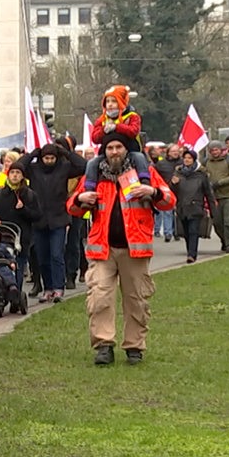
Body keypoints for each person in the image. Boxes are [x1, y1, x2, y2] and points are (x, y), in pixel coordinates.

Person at [69, 132, 175, 365]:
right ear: (104, 151)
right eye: (110, 148)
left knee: (136, 300)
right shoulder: (94, 174)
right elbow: (72, 207)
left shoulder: (143, 173)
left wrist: (153, 192)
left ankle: (134, 347)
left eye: (118, 147)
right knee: (99, 298)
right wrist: (80, 199)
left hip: (134, 250)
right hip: (102, 249)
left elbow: (169, 200)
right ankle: (104, 346)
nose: (114, 151)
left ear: (126, 150)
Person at [18, 142, 86, 303]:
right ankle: (47, 287)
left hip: (58, 218)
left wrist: (66, 153)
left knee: (56, 254)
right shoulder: (34, 170)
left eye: (52, 158)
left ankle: (58, 288)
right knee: (42, 257)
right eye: (46, 158)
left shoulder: (64, 168)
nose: (49, 161)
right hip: (39, 218)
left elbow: (83, 166)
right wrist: (33, 154)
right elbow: (19, 165)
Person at [0, 161, 39, 300]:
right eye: (12, 173)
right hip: (3, 236)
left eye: (18, 173)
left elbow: (36, 215)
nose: (15, 176)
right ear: (8, 175)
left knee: (18, 266)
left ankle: (16, 294)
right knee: (2, 264)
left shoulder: (29, 194)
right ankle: (0, 291)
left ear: (22, 176)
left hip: (21, 237)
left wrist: (23, 209)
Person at [170, 149, 217, 263]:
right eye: (185, 157)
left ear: (194, 160)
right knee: (186, 232)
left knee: (193, 231)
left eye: (189, 158)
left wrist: (213, 211)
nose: (186, 160)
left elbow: (208, 193)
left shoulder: (201, 175)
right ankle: (189, 252)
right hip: (182, 207)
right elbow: (172, 191)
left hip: (195, 207)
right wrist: (173, 184)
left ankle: (192, 254)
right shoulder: (178, 173)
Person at [203, 140, 229, 253]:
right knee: (217, 223)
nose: (214, 152)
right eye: (212, 150)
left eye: (216, 150)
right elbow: (202, 174)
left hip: (228, 195)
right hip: (214, 197)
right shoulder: (206, 162)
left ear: (221, 149)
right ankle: (224, 240)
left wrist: (220, 183)